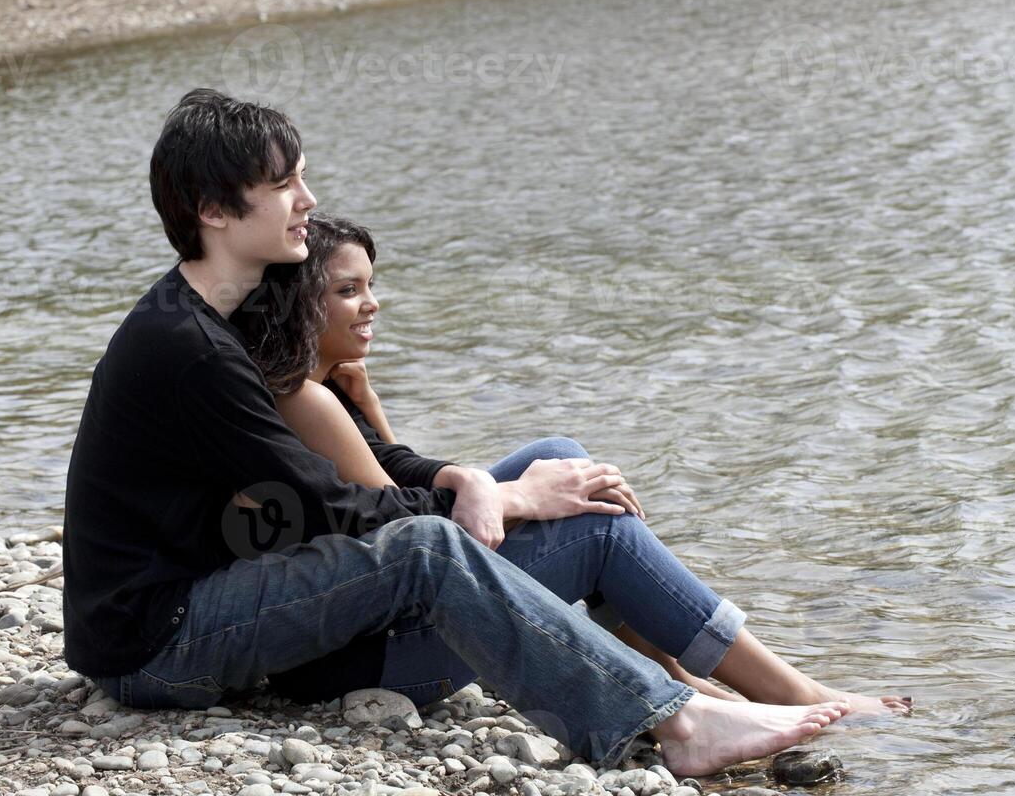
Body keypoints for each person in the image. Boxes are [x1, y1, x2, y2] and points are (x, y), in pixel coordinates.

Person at [62, 88, 852, 777]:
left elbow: (354, 476)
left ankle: (717, 691)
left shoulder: (215, 323)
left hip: (198, 601)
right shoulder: (189, 348)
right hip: (158, 645)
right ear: (213, 211)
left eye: (302, 177)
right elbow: (332, 504)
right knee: (431, 545)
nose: (306, 199)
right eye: (283, 185)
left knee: (557, 462)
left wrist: (476, 482)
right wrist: (505, 500)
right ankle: (678, 721)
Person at [237, 212, 911, 717]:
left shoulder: (323, 389)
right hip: (371, 665)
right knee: (596, 526)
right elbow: (408, 539)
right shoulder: (305, 399)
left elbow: (384, 475)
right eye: (349, 291)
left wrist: (371, 402)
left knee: (560, 456)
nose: (372, 302)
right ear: (303, 302)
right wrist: (517, 498)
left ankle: (684, 681)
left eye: (371, 285)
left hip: (364, 633)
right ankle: (794, 694)